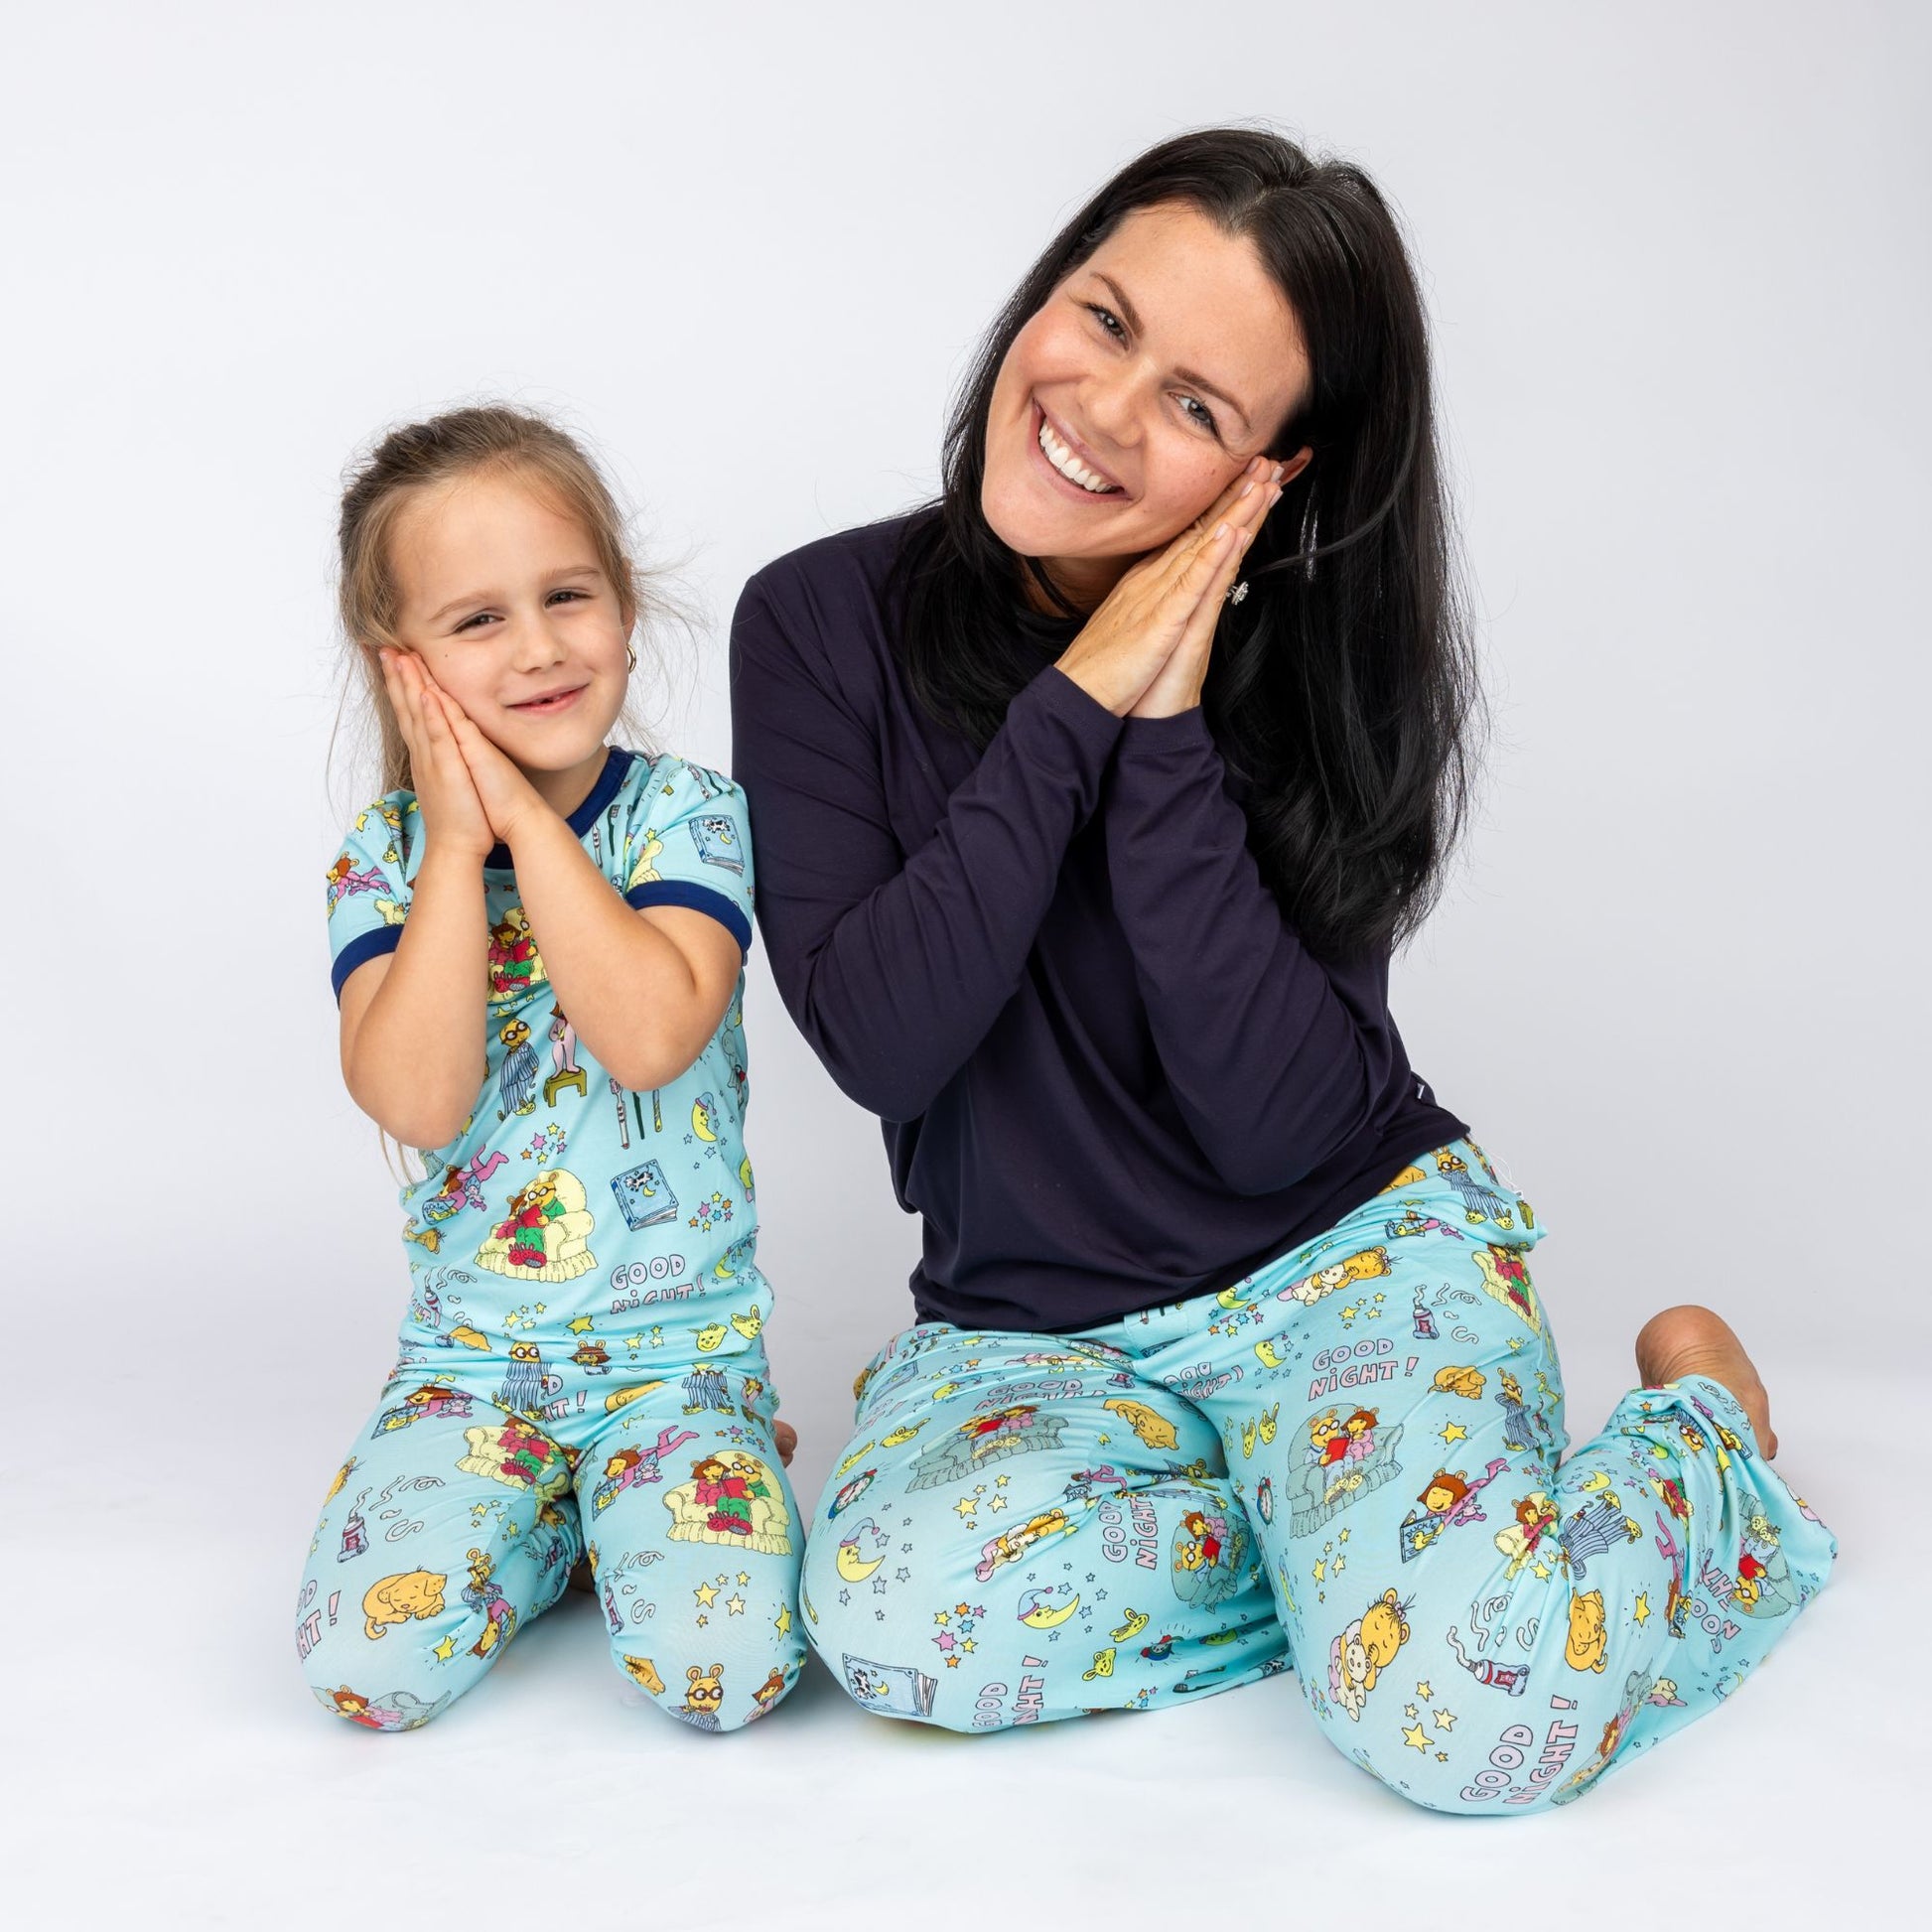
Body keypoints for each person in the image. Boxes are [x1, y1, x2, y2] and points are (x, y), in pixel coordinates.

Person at [727, 129, 1835, 1808]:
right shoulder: (814, 621)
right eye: (1099, 321)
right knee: (883, 1625)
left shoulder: (1317, 674)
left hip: (1344, 1268)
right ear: (1042, 291)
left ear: (1274, 473)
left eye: (1193, 407)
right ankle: (1365, 1560)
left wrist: (1153, 729)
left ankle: (1700, 1447)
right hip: (1033, 1333)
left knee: (1464, 1732)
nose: (1098, 410)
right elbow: (884, 1037)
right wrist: (1069, 707)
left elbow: (1272, 1129)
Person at [297, 405, 804, 1733]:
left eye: (566, 594)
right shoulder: (384, 862)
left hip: (678, 1358)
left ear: (625, 608)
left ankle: (670, 1479)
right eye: (477, 621)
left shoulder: (685, 813)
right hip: (472, 1368)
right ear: (400, 665)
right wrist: (459, 848)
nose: (537, 647)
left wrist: (521, 809)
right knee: (366, 1666)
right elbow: (419, 1098)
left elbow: (646, 1032)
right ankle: (559, 1524)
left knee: (731, 1673)